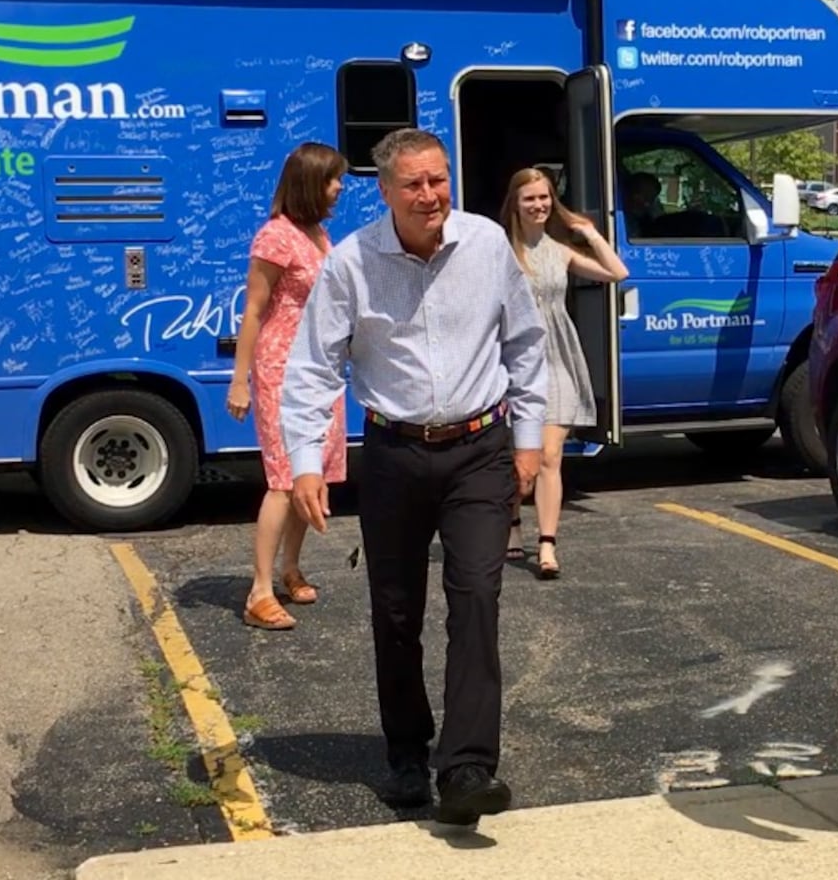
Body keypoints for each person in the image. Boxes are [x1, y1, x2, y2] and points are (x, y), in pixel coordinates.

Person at [280, 127, 548, 827]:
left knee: (477, 598)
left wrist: (528, 439)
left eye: (439, 180)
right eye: (414, 185)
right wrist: (306, 462)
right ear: (386, 191)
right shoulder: (352, 262)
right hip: (395, 454)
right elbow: (312, 366)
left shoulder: (487, 245)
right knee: (397, 611)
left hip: (479, 449)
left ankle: (466, 767)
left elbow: (525, 342)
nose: (430, 196)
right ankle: (406, 754)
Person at [226, 142, 348, 632]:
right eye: (331, 179)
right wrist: (240, 380)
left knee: (309, 477)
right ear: (308, 183)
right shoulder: (275, 237)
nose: (339, 187)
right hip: (282, 370)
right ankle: (258, 590)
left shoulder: (317, 233)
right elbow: (254, 310)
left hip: (320, 371)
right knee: (283, 481)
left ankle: (290, 567)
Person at [498, 166, 629, 577]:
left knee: (550, 455)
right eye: (530, 199)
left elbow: (616, 272)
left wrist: (587, 232)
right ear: (515, 204)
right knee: (514, 457)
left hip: (557, 358)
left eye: (545, 198)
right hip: (510, 360)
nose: (538, 205)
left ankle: (547, 546)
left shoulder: (559, 250)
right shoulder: (499, 250)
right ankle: (512, 526)